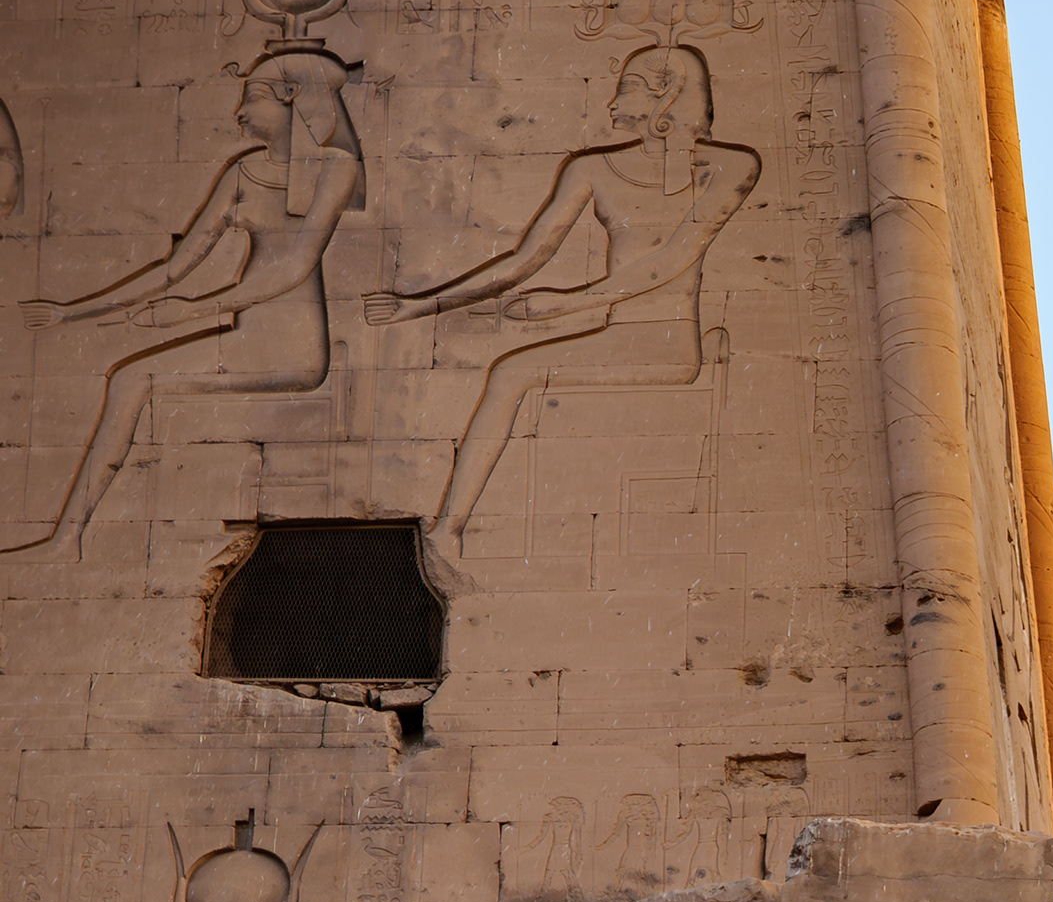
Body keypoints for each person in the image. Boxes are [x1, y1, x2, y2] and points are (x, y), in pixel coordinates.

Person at [362, 39, 758, 553]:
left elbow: (673, 259)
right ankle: (450, 531)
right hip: (615, 332)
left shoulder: (729, 166)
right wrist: (423, 304)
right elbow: (526, 259)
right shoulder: (591, 169)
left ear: (669, 95)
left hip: (665, 344)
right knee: (507, 370)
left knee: (510, 372)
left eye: (630, 86)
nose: (613, 101)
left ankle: (448, 530)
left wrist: (565, 304)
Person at [11, 51, 362, 555]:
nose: (238, 115)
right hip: (245, 333)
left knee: (134, 379)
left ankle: (67, 539)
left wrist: (192, 310)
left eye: (252, 100)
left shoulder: (335, 168)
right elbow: (176, 269)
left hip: (292, 347)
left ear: (292, 97)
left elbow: (294, 267)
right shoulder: (243, 173)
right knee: (128, 376)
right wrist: (76, 311)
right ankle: (66, 538)